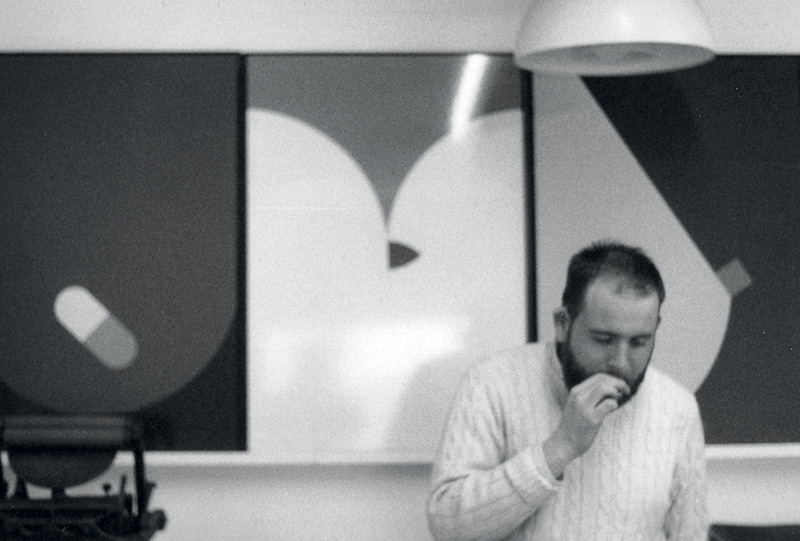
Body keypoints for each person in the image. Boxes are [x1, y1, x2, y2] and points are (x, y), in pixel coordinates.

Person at [427, 241, 708, 540]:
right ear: (562, 323)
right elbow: (447, 527)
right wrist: (560, 448)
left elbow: (690, 534)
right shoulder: (490, 383)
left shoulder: (678, 407)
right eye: (603, 339)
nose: (621, 363)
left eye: (639, 342)